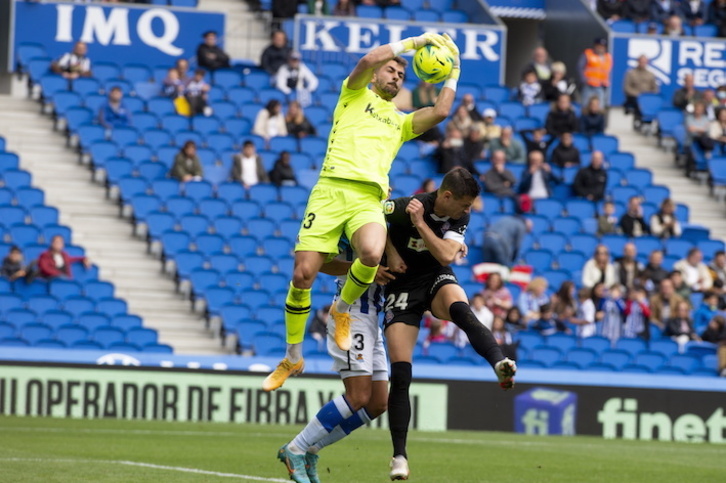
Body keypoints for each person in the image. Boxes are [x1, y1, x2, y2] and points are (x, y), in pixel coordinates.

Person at [262, 32, 460, 394]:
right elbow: (368, 59)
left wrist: (454, 71)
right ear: (375, 77)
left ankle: (342, 307)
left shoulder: (401, 122)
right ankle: (292, 356)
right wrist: (414, 43)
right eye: (391, 70)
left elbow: (442, 111)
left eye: (402, 74)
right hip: (330, 190)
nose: (397, 76)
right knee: (304, 273)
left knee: (371, 253)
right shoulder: (352, 95)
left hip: (368, 197)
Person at [381, 168, 516, 479]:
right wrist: (389, 251)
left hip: (433, 277)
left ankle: (499, 363)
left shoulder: (457, 218)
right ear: (446, 196)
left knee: (462, 309)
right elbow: (370, 218)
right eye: (465, 205)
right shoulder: (407, 206)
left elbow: (443, 256)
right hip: (401, 286)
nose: (468, 211)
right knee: (401, 371)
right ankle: (399, 457)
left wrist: (420, 226)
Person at [277, 243, 392, 483]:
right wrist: (364, 268)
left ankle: (311, 449)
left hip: (373, 318)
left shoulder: (386, 221)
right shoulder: (348, 223)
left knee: (378, 403)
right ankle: (296, 448)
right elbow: (322, 263)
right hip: (351, 314)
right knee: (358, 396)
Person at [577, 38, 612, 109]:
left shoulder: (608, 57)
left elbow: (608, 71)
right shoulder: (588, 54)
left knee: (600, 106)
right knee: (586, 105)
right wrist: (584, 80)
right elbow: (580, 67)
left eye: (602, 47)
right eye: (599, 46)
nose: (600, 48)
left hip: (602, 86)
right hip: (589, 85)